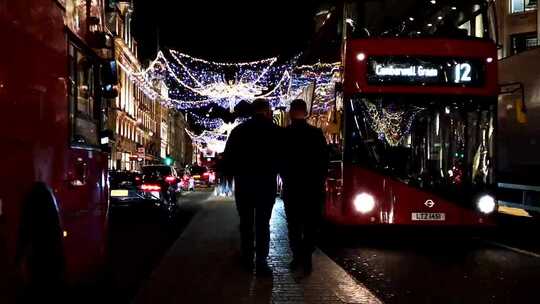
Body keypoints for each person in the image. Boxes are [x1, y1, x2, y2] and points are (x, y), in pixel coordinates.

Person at [223, 98, 281, 276]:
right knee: (263, 224)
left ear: (252, 111)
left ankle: (247, 259)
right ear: (267, 111)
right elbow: (283, 158)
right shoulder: (275, 131)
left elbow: (229, 159)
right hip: (266, 184)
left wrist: (229, 178)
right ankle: (262, 262)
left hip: (244, 184)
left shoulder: (239, 131)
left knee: (246, 223)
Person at [281, 99, 328, 274]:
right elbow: (324, 160)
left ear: (292, 112)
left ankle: (297, 257)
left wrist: (285, 176)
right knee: (310, 225)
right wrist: (319, 180)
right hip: (312, 188)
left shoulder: (285, 134)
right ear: (306, 112)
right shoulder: (316, 134)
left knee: (293, 225)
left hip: (292, 187)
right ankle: (306, 258)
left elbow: (281, 160)